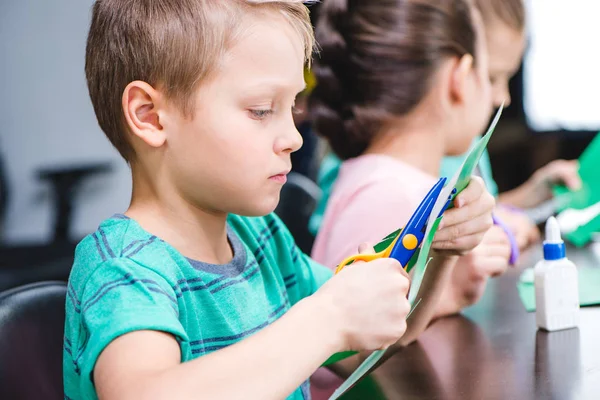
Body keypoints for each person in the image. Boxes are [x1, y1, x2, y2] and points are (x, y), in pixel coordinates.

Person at [63, 1, 494, 399]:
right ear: (150, 116)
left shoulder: (262, 238)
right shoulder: (123, 267)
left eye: (292, 108)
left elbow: (374, 340)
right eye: (261, 109)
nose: (291, 137)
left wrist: (441, 249)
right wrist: (326, 319)